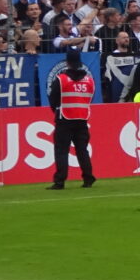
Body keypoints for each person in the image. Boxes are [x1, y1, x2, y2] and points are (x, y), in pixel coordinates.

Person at [47, 49, 96, 189]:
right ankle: (88, 178)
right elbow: (90, 98)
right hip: (82, 119)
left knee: (61, 150)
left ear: (67, 62)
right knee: (82, 150)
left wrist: (57, 111)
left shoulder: (61, 79)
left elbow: (53, 99)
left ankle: (60, 181)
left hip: (65, 118)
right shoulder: (89, 80)